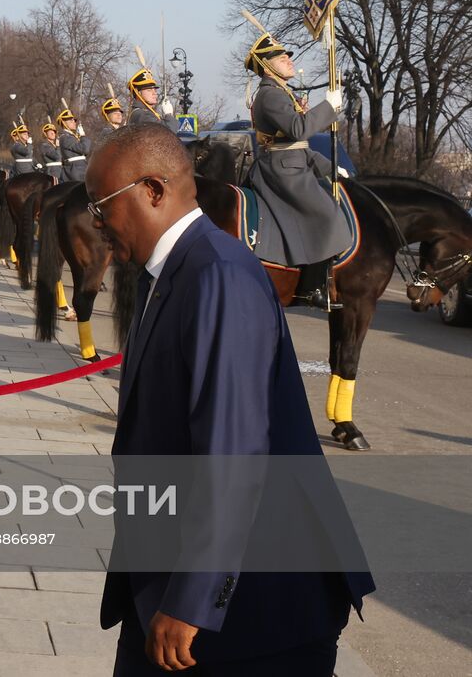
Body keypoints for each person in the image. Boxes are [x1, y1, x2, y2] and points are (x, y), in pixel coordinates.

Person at [86, 124, 373, 676]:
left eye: (102, 206)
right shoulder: (167, 270)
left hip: (251, 612)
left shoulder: (217, 274)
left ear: (152, 189)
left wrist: (192, 598)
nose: (97, 224)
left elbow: (234, 453)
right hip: (180, 588)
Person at [243, 33, 348, 309]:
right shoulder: (270, 95)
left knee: (342, 196)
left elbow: (298, 144)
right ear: (267, 68)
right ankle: (312, 288)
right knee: (325, 215)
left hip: (294, 162)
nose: (289, 60)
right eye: (281, 58)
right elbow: (299, 130)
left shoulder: (281, 94)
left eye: (287, 56)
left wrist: (330, 167)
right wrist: (330, 107)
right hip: (281, 170)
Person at [58, 108, 91, 182]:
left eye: (74, 120)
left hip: (80, 167)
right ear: (64, 123)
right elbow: (85, 149)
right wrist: (83, 136)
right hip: (76, 170)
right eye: (70, 121)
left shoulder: (72, 137)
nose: (74, 122)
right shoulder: (65, 137)